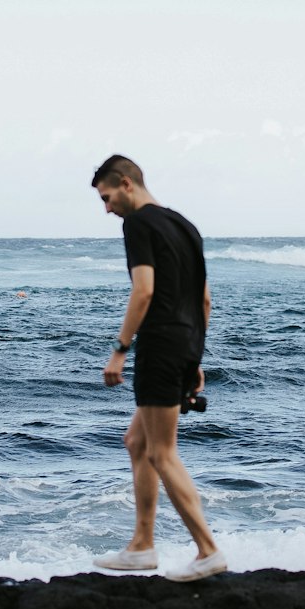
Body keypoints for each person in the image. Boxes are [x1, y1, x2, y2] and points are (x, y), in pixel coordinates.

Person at [90, 154, 227, 582]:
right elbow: (203, 299)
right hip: (185, 343)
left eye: (107, 197)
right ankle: (142, 547)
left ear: (126, 183)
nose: (107, 208)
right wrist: (196, 358)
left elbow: (144, 291)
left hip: (161, 344)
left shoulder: (138, 225)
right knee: (136, 441)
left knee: (162, 452)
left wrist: (120, 349)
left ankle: (207, 550)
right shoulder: (185, 225)